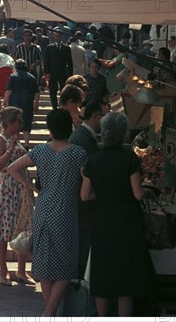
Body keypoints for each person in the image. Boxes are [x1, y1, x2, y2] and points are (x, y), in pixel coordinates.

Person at [8, 109, 87, 317]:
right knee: (67, 262)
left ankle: (49, 311)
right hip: (66, 210)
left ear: (50, 129)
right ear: (69, 127)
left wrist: (32, 187)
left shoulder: (39, 151)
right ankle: (50, 311)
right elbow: (87, 179)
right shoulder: (78, 153)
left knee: (43, 261)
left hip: (43, 209)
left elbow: (12, 168)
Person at [80, 111, 154, 317]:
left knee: (102, 273)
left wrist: (105, 195)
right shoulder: (129, 158)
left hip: (103, 220)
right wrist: (149, 191)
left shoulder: (93, 160)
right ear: (123, 133)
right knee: (125, 276)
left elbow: (85, 195)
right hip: (126, 220)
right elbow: (138, 194)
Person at [0, 107, 34, 286]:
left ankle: (21, 270)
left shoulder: (17, 139)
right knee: (3, 229)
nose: (21, 123)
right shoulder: (0, 139)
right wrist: (10, 149)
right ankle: (3, 269)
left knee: (21, 227)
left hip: (19, 188)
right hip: (5, 187)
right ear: (9, 123)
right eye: (18, 120)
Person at [69, 100, 109, 278]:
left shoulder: (84, 136)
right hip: (82, 203)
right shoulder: (83, 139)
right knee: (82, 246)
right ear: (95, 117)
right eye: (104, 117)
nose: (106, 121)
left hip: (81, 202)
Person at [3, 59, 40, 146]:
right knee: (27, 124)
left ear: (16, 67)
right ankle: (26, 144)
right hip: (28, 104)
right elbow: (37, 92)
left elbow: (9, 90)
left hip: (15, 104)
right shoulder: (31, 77)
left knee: (15, 123)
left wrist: (4, 102)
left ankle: (17, 143)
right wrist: (36, 104)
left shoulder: (13, 76)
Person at [44, 29, 73, 110]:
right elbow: (46, 61)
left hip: (63, 73)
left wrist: (70, 74)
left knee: (63, 91)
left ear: (61, 37)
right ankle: (54, 108)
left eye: (58, 36)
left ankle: (62, 107)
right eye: (55, 36)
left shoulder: (66, 48)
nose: (56, 38)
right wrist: (47, 72)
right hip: (52, 73)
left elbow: (70, 62)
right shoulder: (49, 47)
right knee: (52, 92)